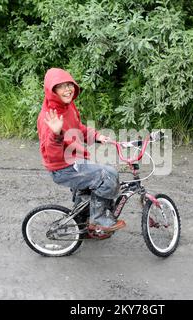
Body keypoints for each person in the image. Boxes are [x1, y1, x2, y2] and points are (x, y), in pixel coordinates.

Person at [37, 67, 126, 233]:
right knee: (107, 176)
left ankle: (83, 218)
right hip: (62, 168)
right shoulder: (49, 118)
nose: (68, 90)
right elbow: (50, 152)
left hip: (75, 160)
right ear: (52, 90)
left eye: (69, 85)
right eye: (61, 86)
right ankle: (98, 220)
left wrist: (97, 136)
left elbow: (78, 128)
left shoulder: (68, 107)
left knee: (103, 176)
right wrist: (56, 134)